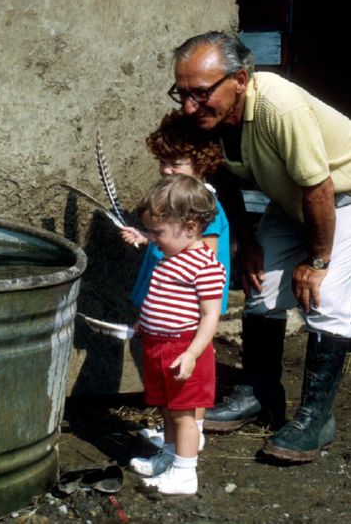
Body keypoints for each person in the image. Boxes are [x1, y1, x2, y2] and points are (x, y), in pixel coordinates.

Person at [170, 30, 351, 463]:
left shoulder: (278, 105)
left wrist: (318, 259)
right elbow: (222, 180)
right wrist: (247, 240)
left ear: (240, 78)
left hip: (343, 196)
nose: (189, 106)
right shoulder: (207, 118)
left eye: (200, 93)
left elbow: (320, 186)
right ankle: (261, 392)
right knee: (260, 283)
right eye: (182, 94)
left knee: (324, 294)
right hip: (294, 201)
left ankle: (316, 418)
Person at [121, 111, 231, 471]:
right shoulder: (172, 201)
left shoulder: (201, 210)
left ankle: (191, 433)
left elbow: (206, 261)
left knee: (188, 382)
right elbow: (167, 239)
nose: (167, 169)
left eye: (176, 162)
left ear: (201, 163)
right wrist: (145, 236)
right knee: (170, 384)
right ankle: (178, 437)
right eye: (162, 162)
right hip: (166, 303)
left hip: (187, 308)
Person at [128, 174, 226, 495]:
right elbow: (163, 298)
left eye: (157, 232)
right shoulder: (171, 257)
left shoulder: (205, 266)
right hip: (159, 344)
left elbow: (211, 316)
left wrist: (192, 354)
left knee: (184, 414)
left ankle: (185, 473)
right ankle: (169, 458)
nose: (152, 238)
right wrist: (146, 321)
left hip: (184, 349)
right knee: (168, 409)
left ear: (190, 227)